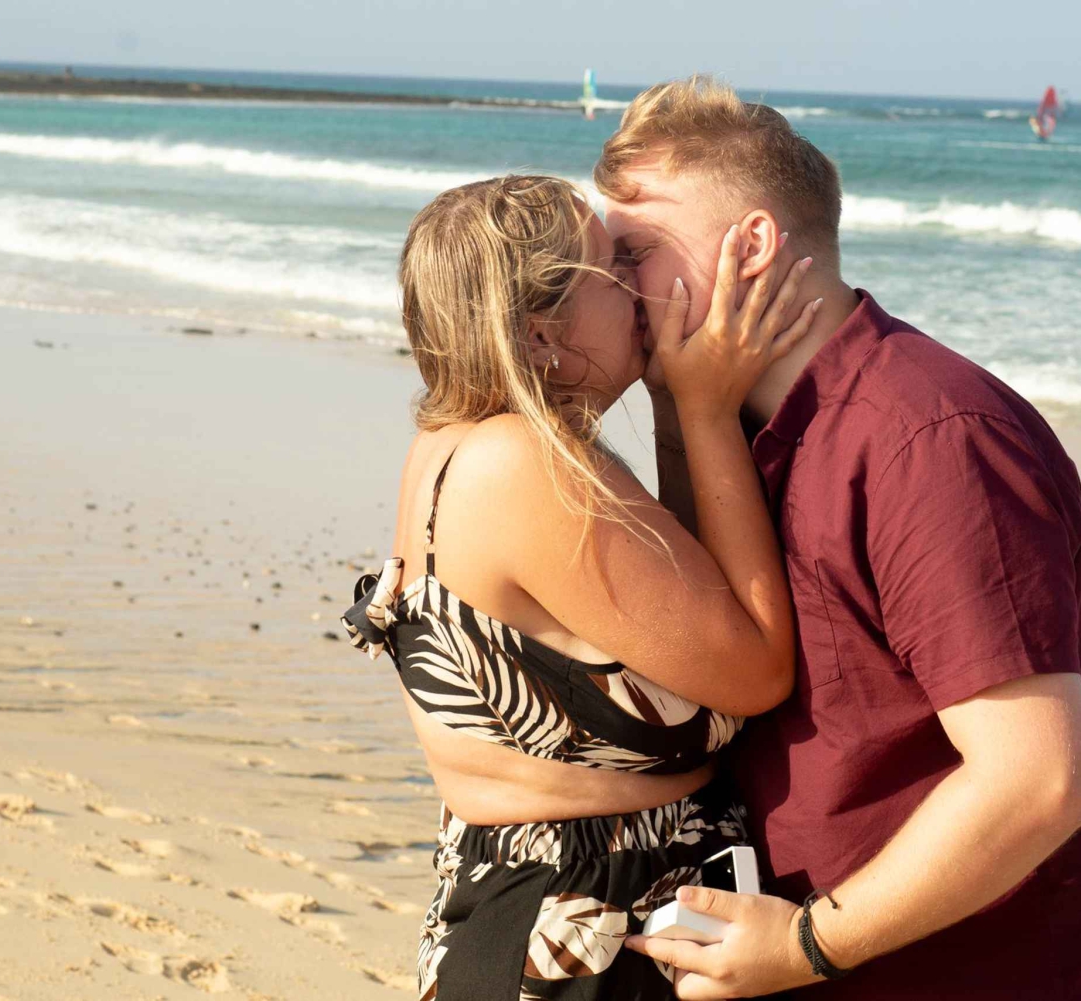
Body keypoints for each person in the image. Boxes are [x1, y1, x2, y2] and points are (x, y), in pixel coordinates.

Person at [602, 78, 1081, 999]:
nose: (613, 283)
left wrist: (808, 946)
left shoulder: (928, 436)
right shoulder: (737, 419)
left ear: (751, 245)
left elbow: (1042, 779)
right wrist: (678, 406)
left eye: (637, 251)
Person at [340, 174, 820, 1000]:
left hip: (541, 919)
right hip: (578, 942)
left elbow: (680, 594)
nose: (639, 286)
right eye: (613, 267)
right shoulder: (522, 469)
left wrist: (676, 409)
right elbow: (757, 665)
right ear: (539, 335)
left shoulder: (461, 441)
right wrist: (708, 413)